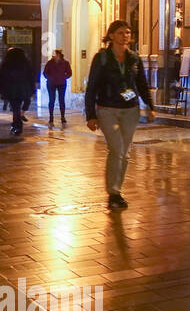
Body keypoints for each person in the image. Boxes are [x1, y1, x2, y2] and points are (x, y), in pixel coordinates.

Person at [85, 21, 155, 208]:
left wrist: (149, 105)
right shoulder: (102, 58)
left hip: (130, 110)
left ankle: (117, 191)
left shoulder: (134, 58)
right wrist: (90, 115)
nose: (125, 36)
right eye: (121, 32)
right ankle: (113, 192)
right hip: (107, 109)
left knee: (125, 153)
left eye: (128, 32)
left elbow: (141, 84)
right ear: (111, 36)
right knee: (116, 149)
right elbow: (92, 87)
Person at [0, 46, 35, 136]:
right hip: (23, 89)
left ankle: (17, 125)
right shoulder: (25, 63)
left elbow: (2, 77)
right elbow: (31, 76)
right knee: (17, 108)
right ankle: (17, 125)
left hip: (11, 89)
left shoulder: (7, 63)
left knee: (15, 108)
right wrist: (32, 88)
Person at [43, 49, 72, 126]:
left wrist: (63, 77)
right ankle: (51, 117)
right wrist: (50, 78)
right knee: (51, 100)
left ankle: (63, 117)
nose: (53, 56)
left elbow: (69, 73)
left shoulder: (65, 63)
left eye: (54, 54)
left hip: (61, 83)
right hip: (51, 84)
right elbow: (45, 72)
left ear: (58, 55)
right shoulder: (50, 63)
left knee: (61, 100)